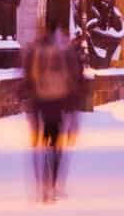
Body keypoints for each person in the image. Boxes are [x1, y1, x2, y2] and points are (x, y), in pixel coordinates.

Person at [26, 18, 85, 202]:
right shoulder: (63, 51)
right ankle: (51, 183)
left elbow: (28, 76)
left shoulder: (36, 49)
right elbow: (74, 78)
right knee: (56, 144)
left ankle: (43, 183)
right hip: (58, 100)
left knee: (43, 143)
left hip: (41, 100)